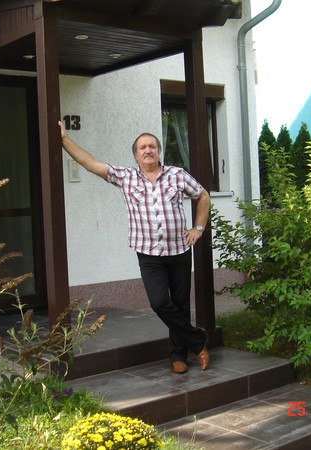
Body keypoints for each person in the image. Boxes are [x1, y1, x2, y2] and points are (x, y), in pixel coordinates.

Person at [58, 121, 210, 374]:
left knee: (181, 305)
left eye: (152, 146)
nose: (148, 150)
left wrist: (198, 228)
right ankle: (198, 340)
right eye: (142, 147)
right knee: (160, 302)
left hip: (179, 251)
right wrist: (64, 140)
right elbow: (90, 163)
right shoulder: (126, 177)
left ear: (158, 151)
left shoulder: (177, 175)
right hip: (149, 255)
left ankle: (178, 356)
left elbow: (202, 195)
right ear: (136, 155)